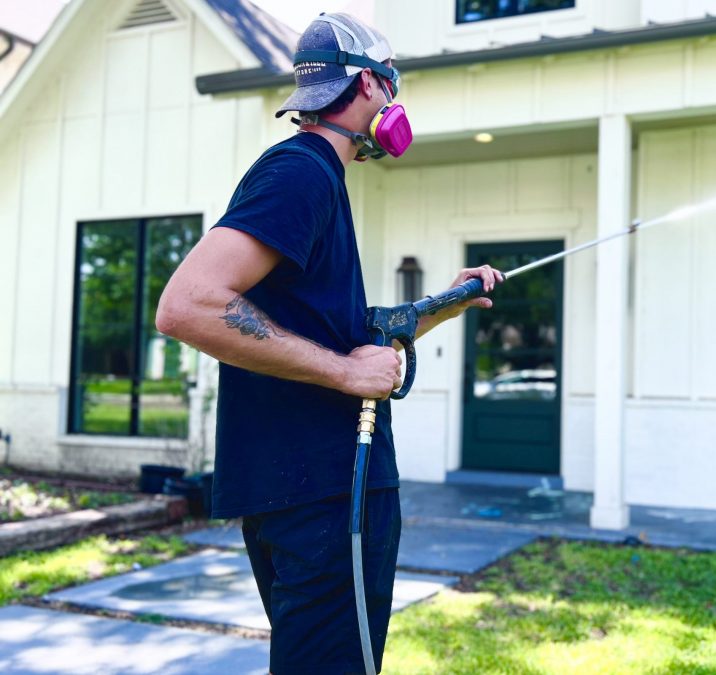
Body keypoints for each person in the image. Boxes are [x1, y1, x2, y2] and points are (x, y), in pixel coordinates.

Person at [156, 13, 501, 674]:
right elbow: (188, 304)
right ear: (369, 83)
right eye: (392, 87)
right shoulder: (302, 173)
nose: (395, 105)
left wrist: (444, 306)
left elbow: (339, 333)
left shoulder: (314, 178)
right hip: (320, 495)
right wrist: (344, 374)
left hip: (306, 490)